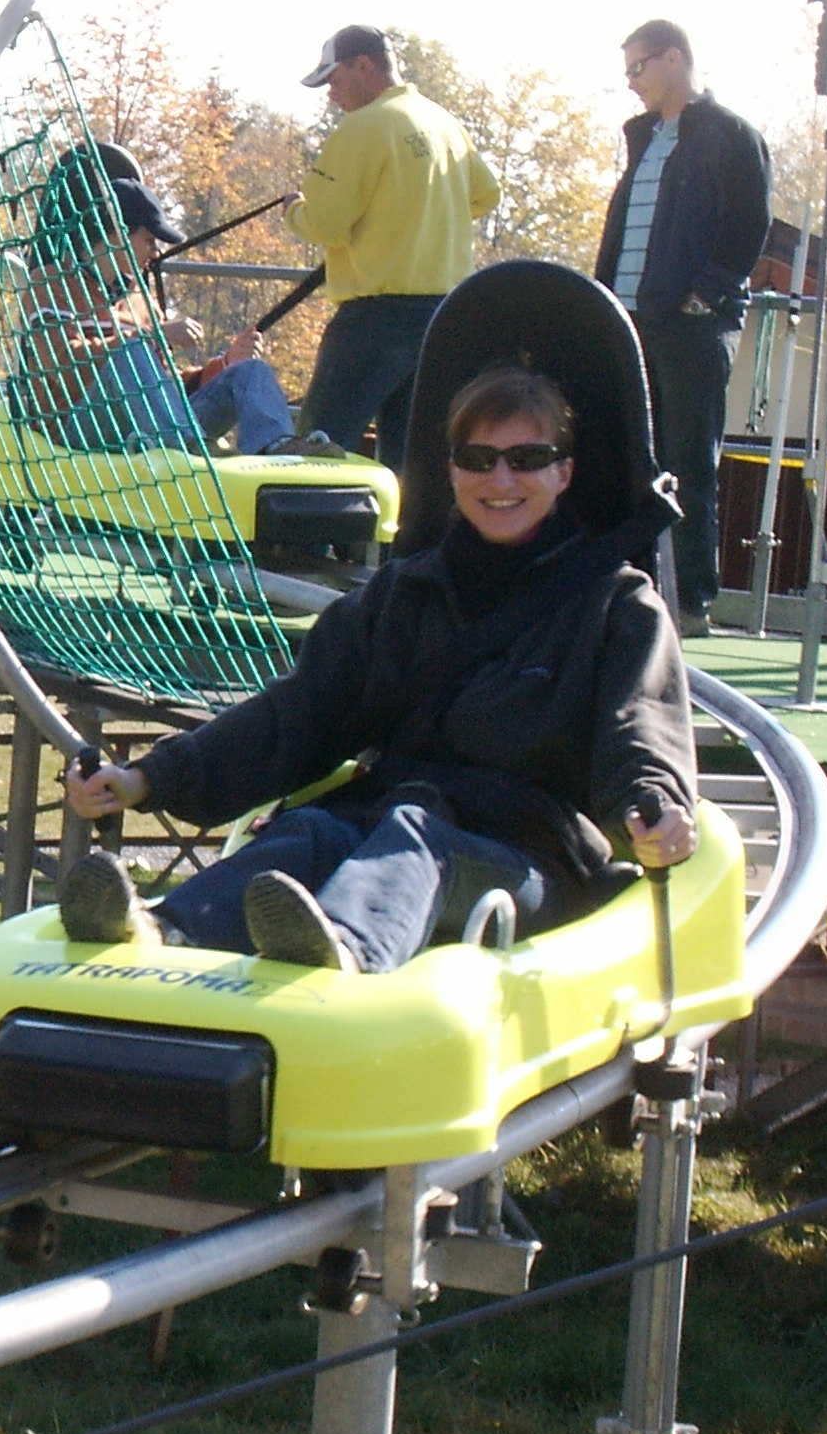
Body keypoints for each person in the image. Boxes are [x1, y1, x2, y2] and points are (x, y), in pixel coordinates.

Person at [59, 342, 698, 975]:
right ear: (452, 471)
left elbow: (639, 726)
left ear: (564, 472)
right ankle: (161, 930)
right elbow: (298, 714)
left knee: (414, 837)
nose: (500, 480)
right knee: (309, 833)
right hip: (387, 823)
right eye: (477, 459)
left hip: (531, 858)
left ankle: (346, 951)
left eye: (527, 459)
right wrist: (150, 778)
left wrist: (654, 806)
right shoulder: (402, 595)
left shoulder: (616, 605)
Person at [591, 20, 772, 637]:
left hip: (690, 325)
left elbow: (750, 223)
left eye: (637, 68)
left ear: (674, 58)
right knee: (626, 457)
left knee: (688, 463)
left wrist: (705, 294)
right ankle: (629, 587)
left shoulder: (731, 135)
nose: (630, 83)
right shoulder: (645, 137)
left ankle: (690, 600)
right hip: (630, 317)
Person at [286, 26, 499, 466]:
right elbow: (485, 195)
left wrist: (294, 210)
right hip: (443, 317)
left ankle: (314, 516)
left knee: (317, 453)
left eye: (333, 81)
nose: (332, 96)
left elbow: (325, 223)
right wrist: (419, 215)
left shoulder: (363, 127)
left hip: (373, 319)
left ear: (363, 65)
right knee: (410, 463)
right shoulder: (444, 123)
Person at [18, 145, 299, 455]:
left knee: (250, 373)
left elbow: (163, 388)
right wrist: (151, 336)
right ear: (118, 235)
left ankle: (277, 447)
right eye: (149, 240)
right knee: (132, 352)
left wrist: (226, 363)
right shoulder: (52, 283)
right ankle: (184, 448)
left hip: (155, 426)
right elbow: (61, 366)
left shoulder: (141, 300)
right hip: (78, 430)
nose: (156, 253)